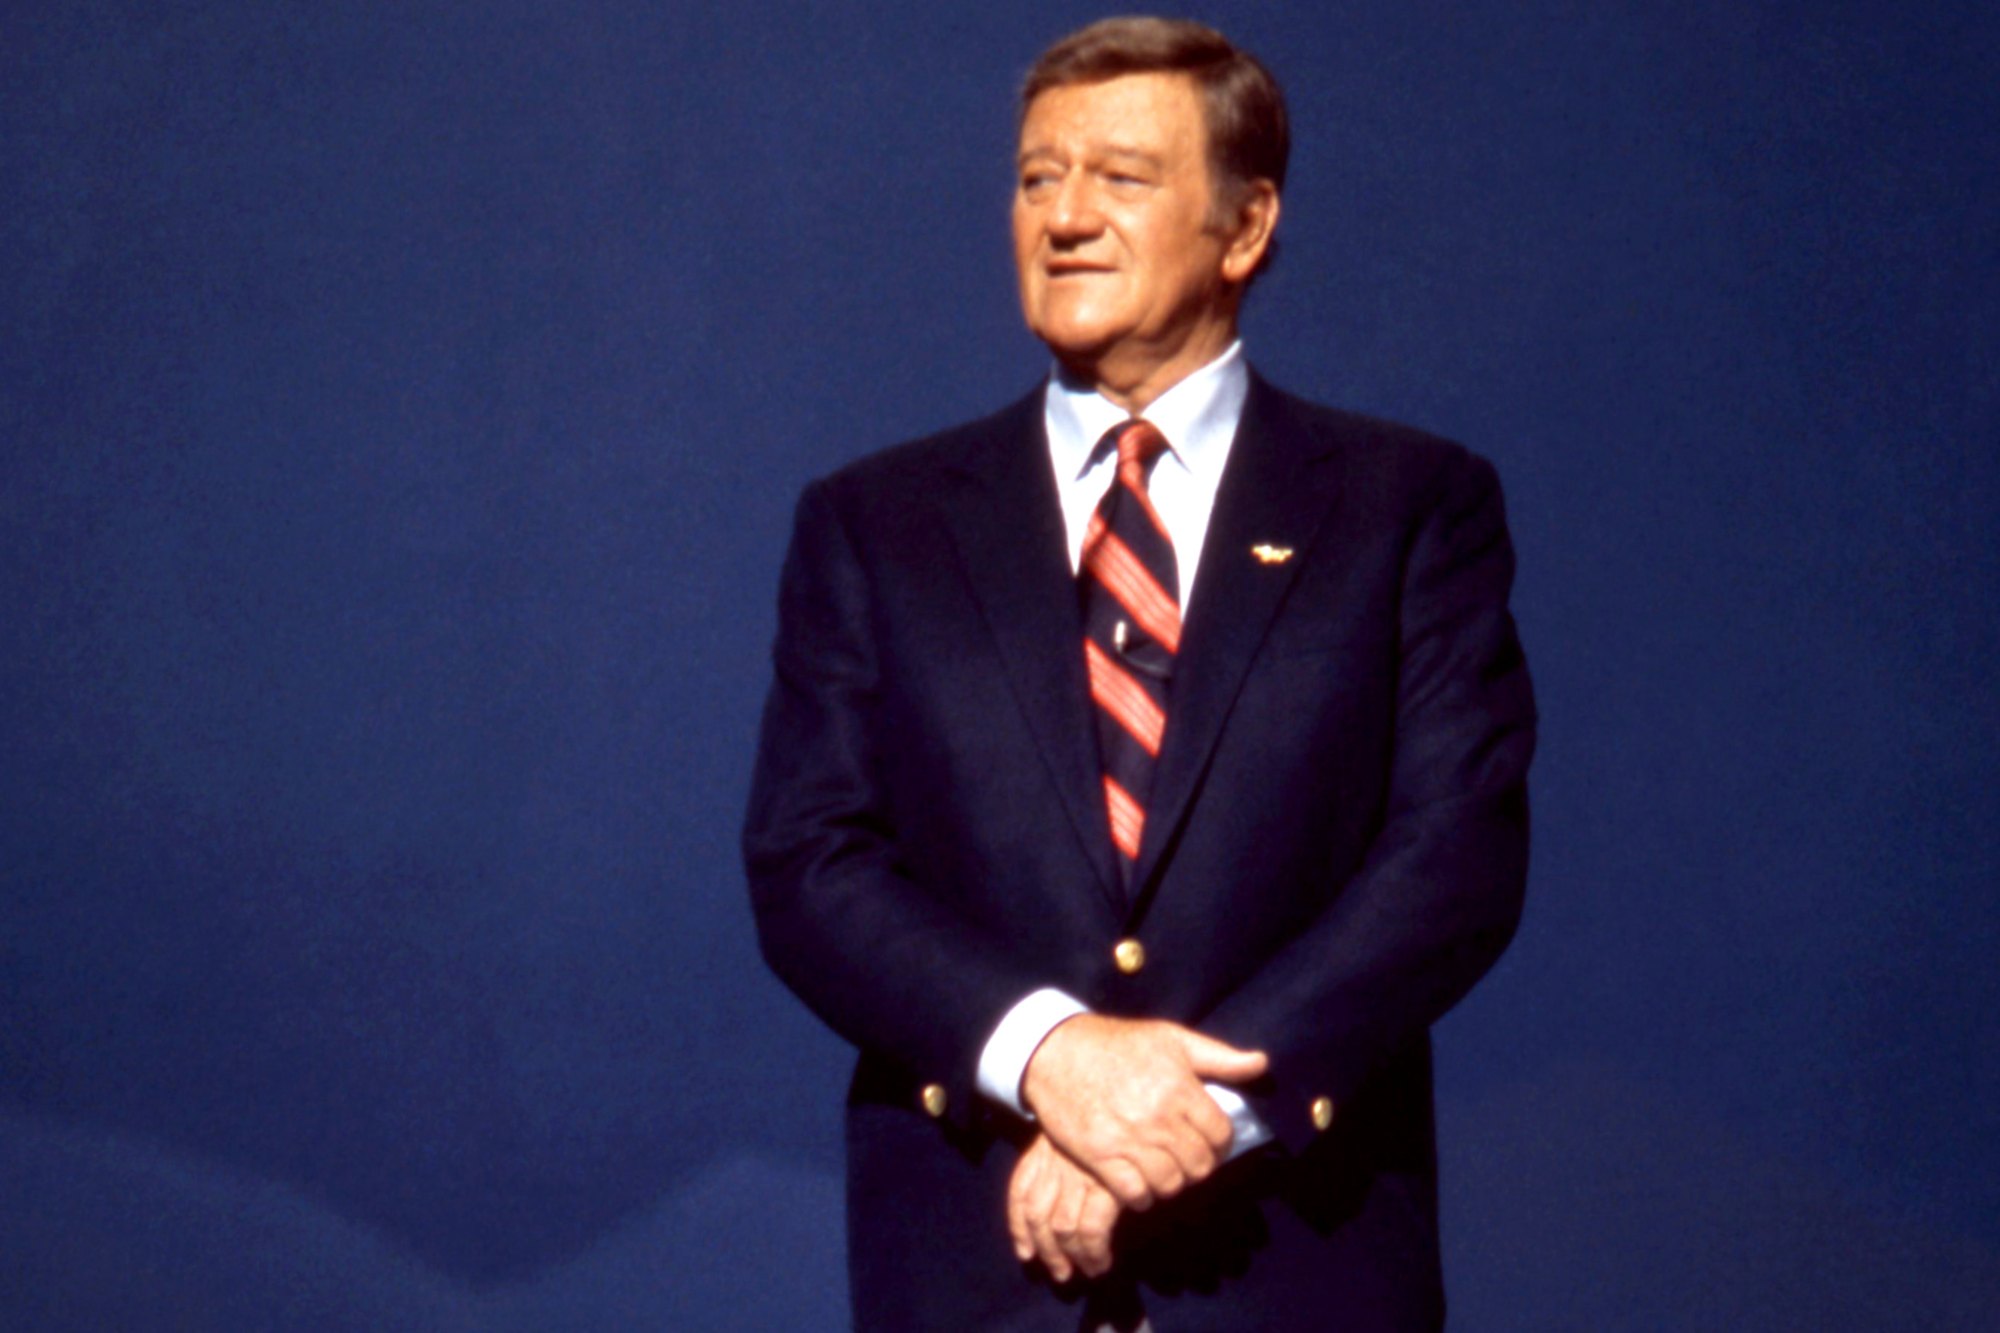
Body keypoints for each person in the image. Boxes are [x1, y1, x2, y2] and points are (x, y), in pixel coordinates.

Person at [743, 16, 1535, 1331]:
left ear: (1245, 226)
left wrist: (1189, 1115)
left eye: (1120, 178)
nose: (1063, 216)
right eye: (1037, 176)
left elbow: (1454, 858)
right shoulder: (872, 524)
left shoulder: (1409, 509)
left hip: (1296, 1263)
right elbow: (810, 859)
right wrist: (1049, 1057)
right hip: (978, 1270)